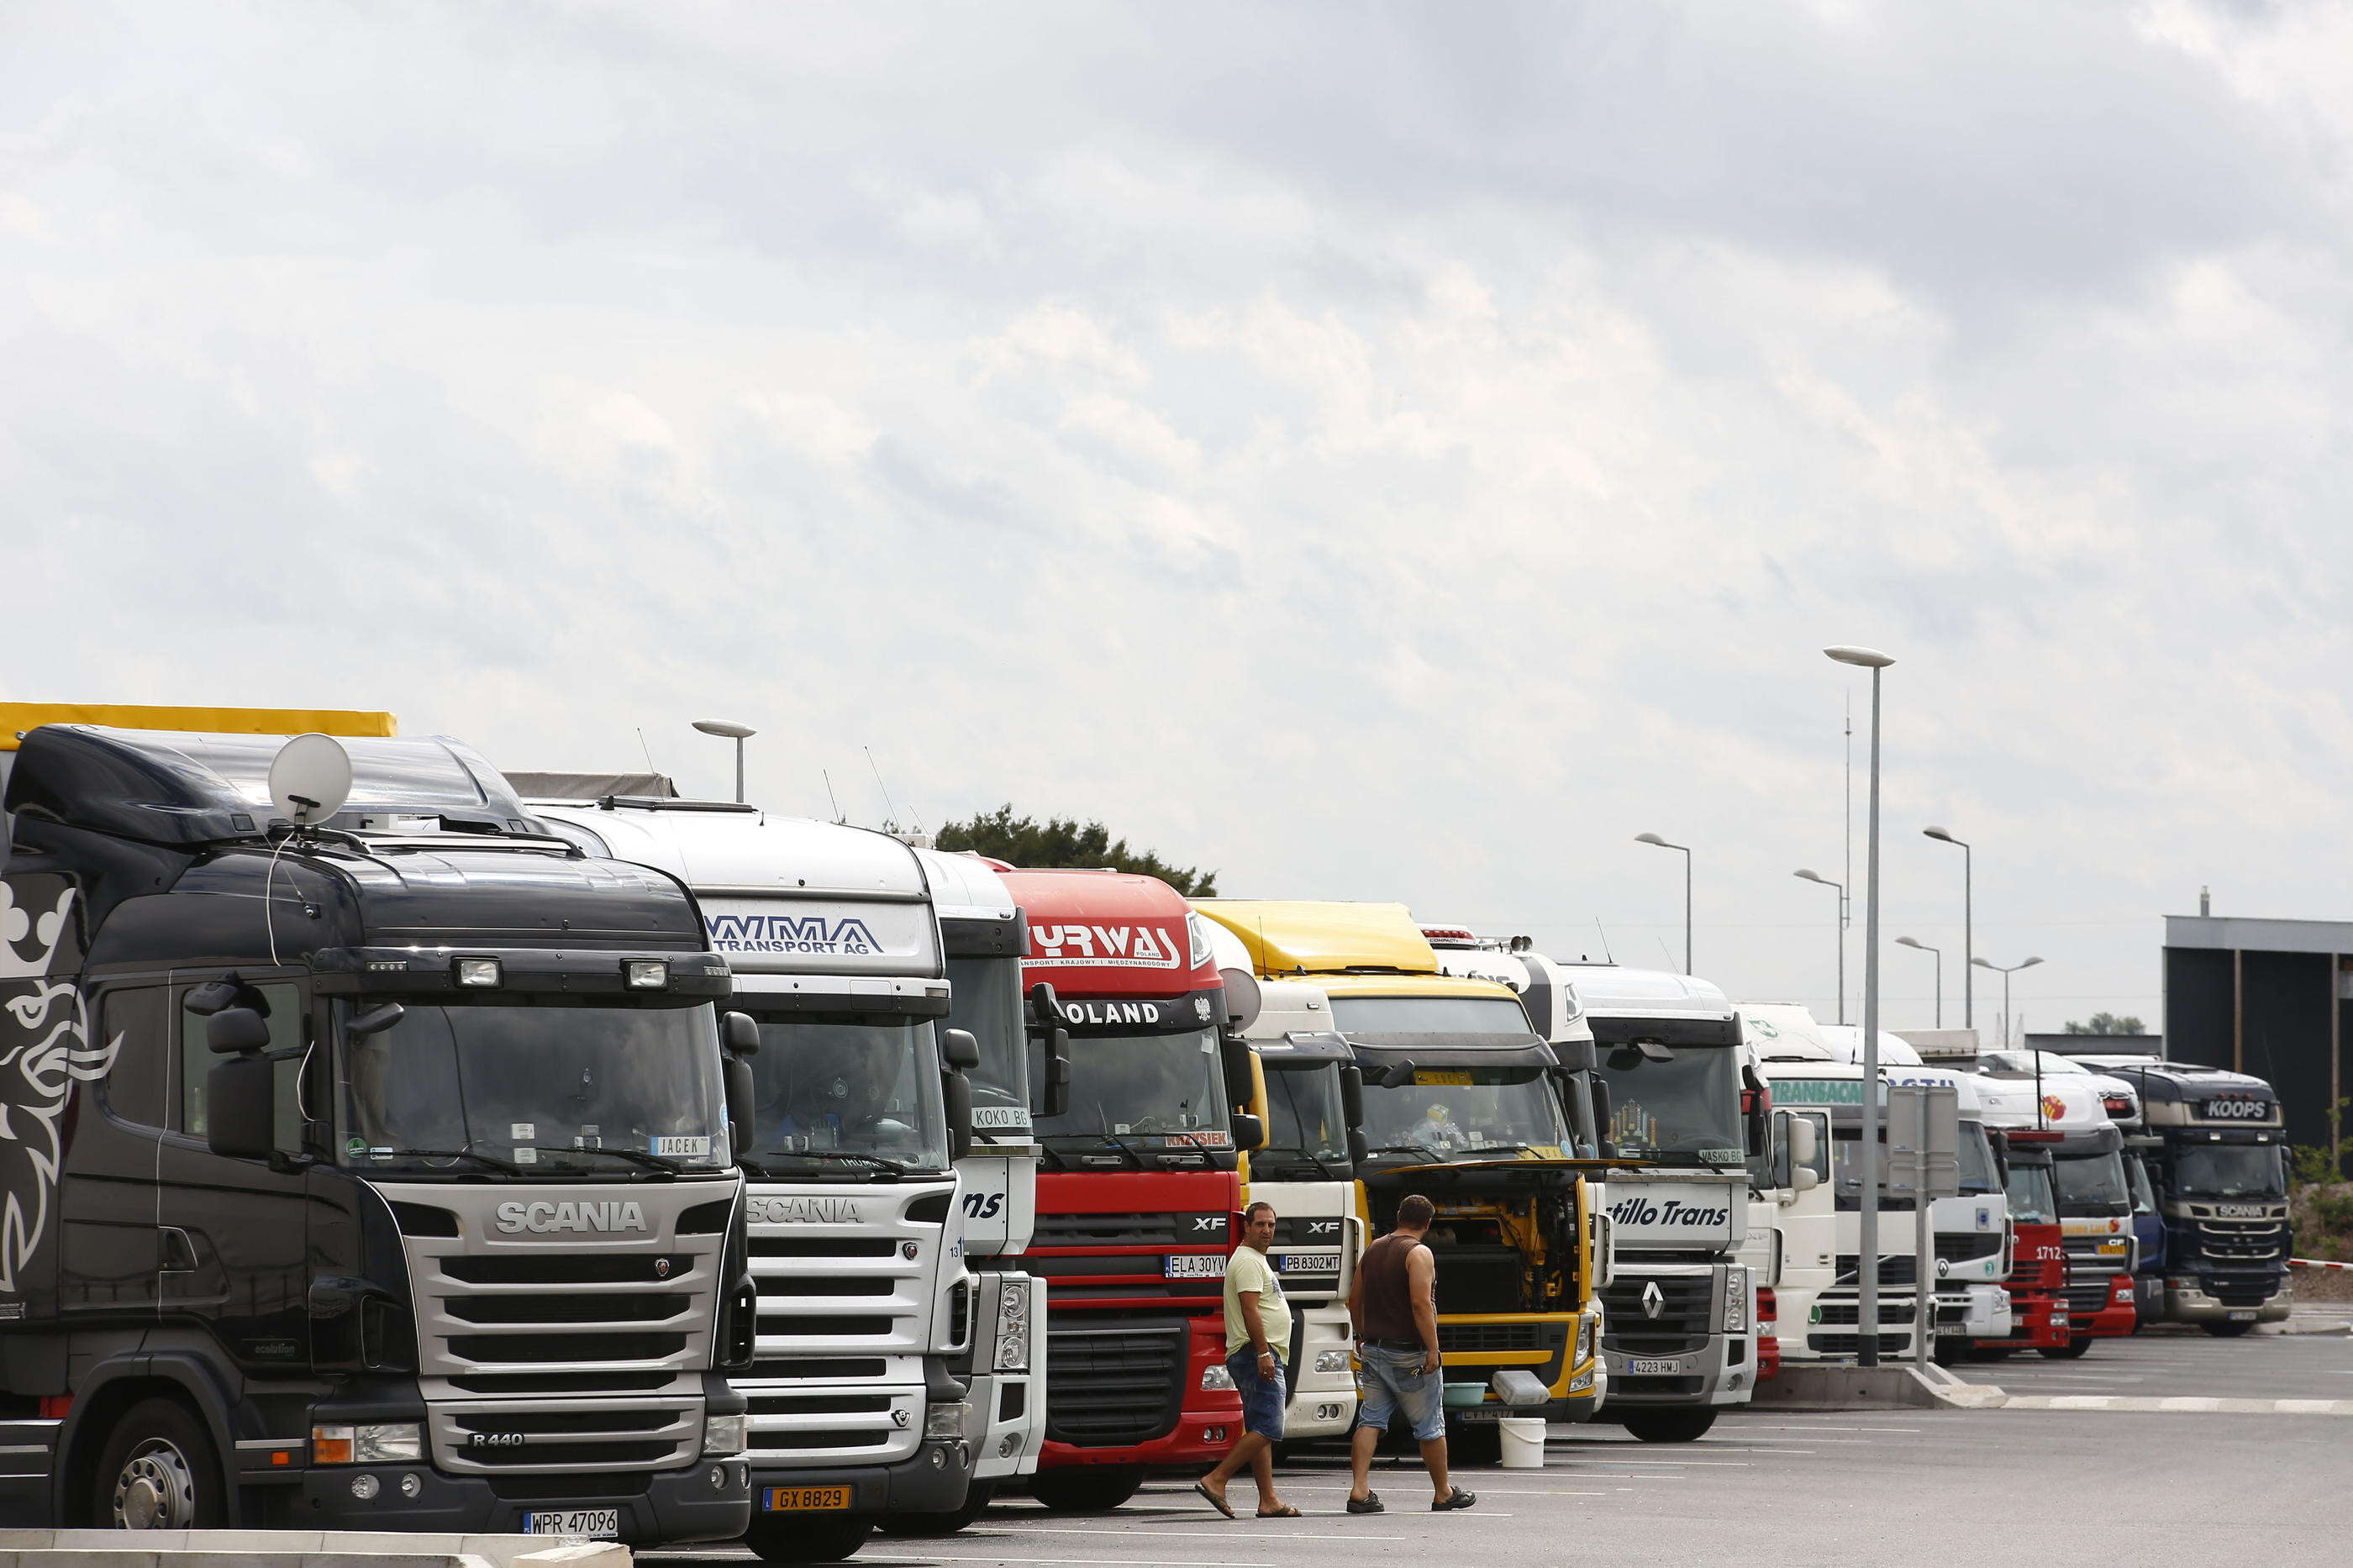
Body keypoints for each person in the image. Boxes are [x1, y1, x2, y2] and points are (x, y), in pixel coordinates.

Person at [1345, 1192, 1474, 1514]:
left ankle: (1359, 1490)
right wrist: (1433, 1348)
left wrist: (1361, 1335)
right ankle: (1443, 1492)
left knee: (1371, 1419)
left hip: (1374, 1350)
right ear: (1428, 1223)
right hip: (1410, 1354)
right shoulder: (1418, 1253)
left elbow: (1354, 1299)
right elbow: (1421, 1305)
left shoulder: (1374, 1249)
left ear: (1399, 1215)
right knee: (1430, 1424)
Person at [1194, 1201, 1297, 1519]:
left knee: (1259, 1429)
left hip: (1257, 1353)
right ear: (1247, 1227)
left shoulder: (1254, 1260)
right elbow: (1250, 1310)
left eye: (1271, 1225)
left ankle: (1268, 1500)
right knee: (1269, 1427)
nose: (1267, 1230)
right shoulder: (1249, 1262)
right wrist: (1264, 1353)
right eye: (1261, 1224)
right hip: (1256, 1354)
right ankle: (1217, 1479)